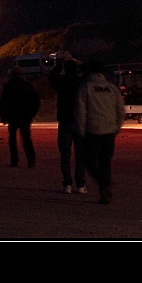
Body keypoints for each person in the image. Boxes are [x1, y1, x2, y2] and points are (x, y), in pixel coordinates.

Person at [75, 60, 125, 204]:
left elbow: (81, 112)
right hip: (109, 132)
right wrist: (117, 127)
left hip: (93, 131)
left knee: (89, 162)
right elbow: (120, 110)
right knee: (105, 163)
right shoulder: (111, 88)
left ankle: (104, 183)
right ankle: (105, 191)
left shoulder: (86, 88)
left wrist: (81, 130)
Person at [49, 56, 87, 194]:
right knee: (80, 155)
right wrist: (80, 63)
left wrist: (59, 64)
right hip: (79, 121)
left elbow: (52, 76)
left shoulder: (62, 82)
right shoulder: (81, 82)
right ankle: (81, 184)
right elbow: (90, 74)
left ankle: (67, 184)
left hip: (65, 120)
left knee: (65, 154)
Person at [0, 67, 40, 167]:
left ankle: (14, 160)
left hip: (13, 115)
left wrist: (3, 116)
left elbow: (4, 102)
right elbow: (36, 100)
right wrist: (33, 112)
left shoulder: (8, 86)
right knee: (26, 138)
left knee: (12, 139)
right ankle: (31, 159)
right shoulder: (27, 85)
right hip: (25, 115)